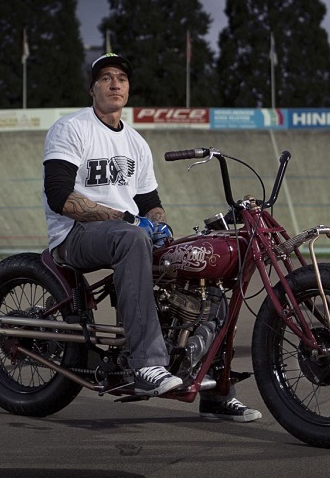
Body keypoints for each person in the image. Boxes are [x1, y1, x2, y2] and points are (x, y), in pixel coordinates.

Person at [42, 53, 261, 422]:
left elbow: (150, 203)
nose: (115, 84)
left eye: (122, 79)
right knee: (130, 237)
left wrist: (161, 226)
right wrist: (127, 219)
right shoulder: (72, 128)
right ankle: (146, 364)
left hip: (126, 232)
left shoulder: (137, 144)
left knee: (206, 272)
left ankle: (216, 389)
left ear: (129, 88)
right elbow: (59, 195)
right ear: (92, 87)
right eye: (106, 78)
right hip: (76, 234)